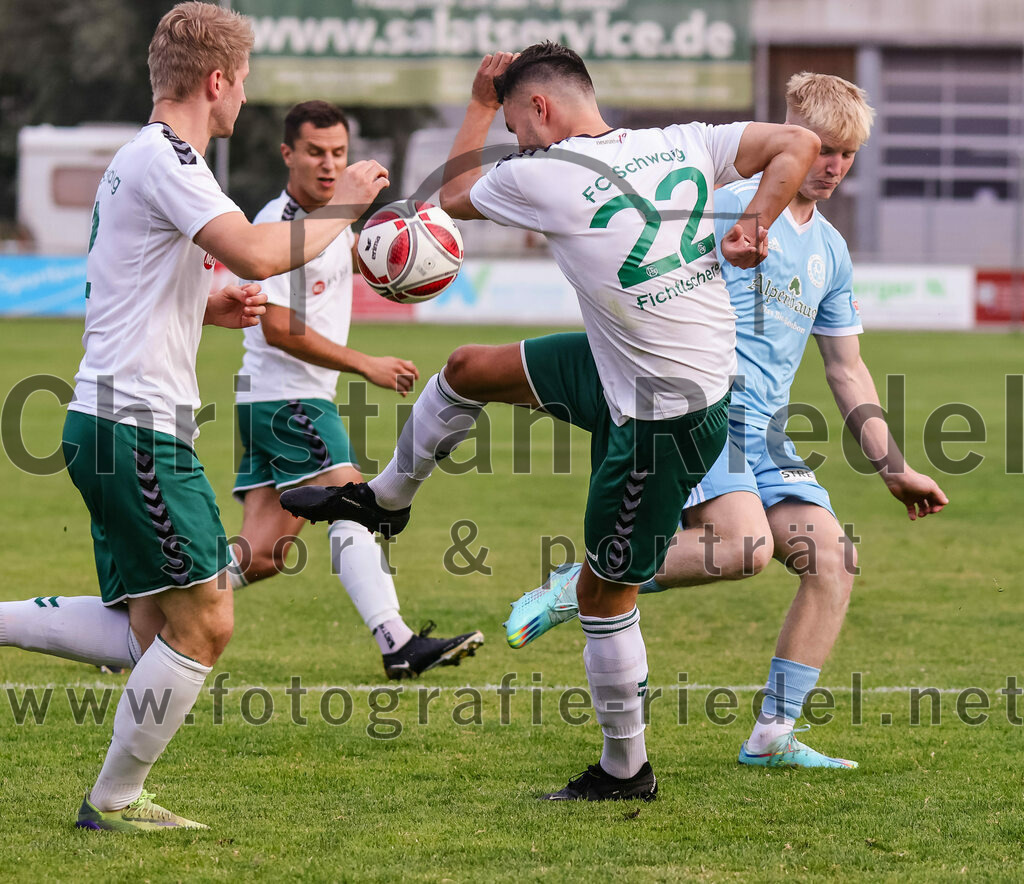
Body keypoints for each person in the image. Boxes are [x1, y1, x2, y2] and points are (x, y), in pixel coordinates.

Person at [281, 42, 821, 801]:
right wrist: (756, 222)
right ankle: (385, 501)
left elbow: (448, 195)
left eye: (513, 124)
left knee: (605, 596)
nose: (516, 139)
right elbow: (797, 143)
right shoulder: (684, 142)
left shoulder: (543, 172)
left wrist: (478, 101)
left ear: (539, 106)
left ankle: (625, 772)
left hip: (663, 418)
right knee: (468, 368)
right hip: (628, 369)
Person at [0, 2, 388, 830]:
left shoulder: (140, 157)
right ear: (216, 81)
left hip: (110, 422)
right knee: (207, 619)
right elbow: (256, 250)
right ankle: (114, 802)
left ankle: (114, 795)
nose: (243, 97)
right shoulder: (170, 158)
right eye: (242, 81)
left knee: (147, 633)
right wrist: (345, 205)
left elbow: (128, 280)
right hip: (135, 429)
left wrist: (203, 305)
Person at [503, 72, 949, 769]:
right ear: (792, 134)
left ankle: (772, 736)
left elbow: (846, 369)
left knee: (832, 560)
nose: (833, 165)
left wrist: (894, 467)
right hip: (703, 406)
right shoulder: (724, 204)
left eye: (847, 154)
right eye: (823, 148)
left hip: (767, 431)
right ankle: (585, 580)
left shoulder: (830, 251)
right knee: (744, 549)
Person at [229, 100, 483, 678]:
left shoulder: (331, 221)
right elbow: (278, 328)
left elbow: (360, 256)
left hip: (272, 399)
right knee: (354, 503)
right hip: (288, 399)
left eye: (338, 153)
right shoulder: (278, 226)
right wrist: (365, 363)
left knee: (264, 554)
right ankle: (397, 642)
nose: (328, 164)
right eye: (315, 152)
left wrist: (408, 249)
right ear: (288, 154)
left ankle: (144, 612)